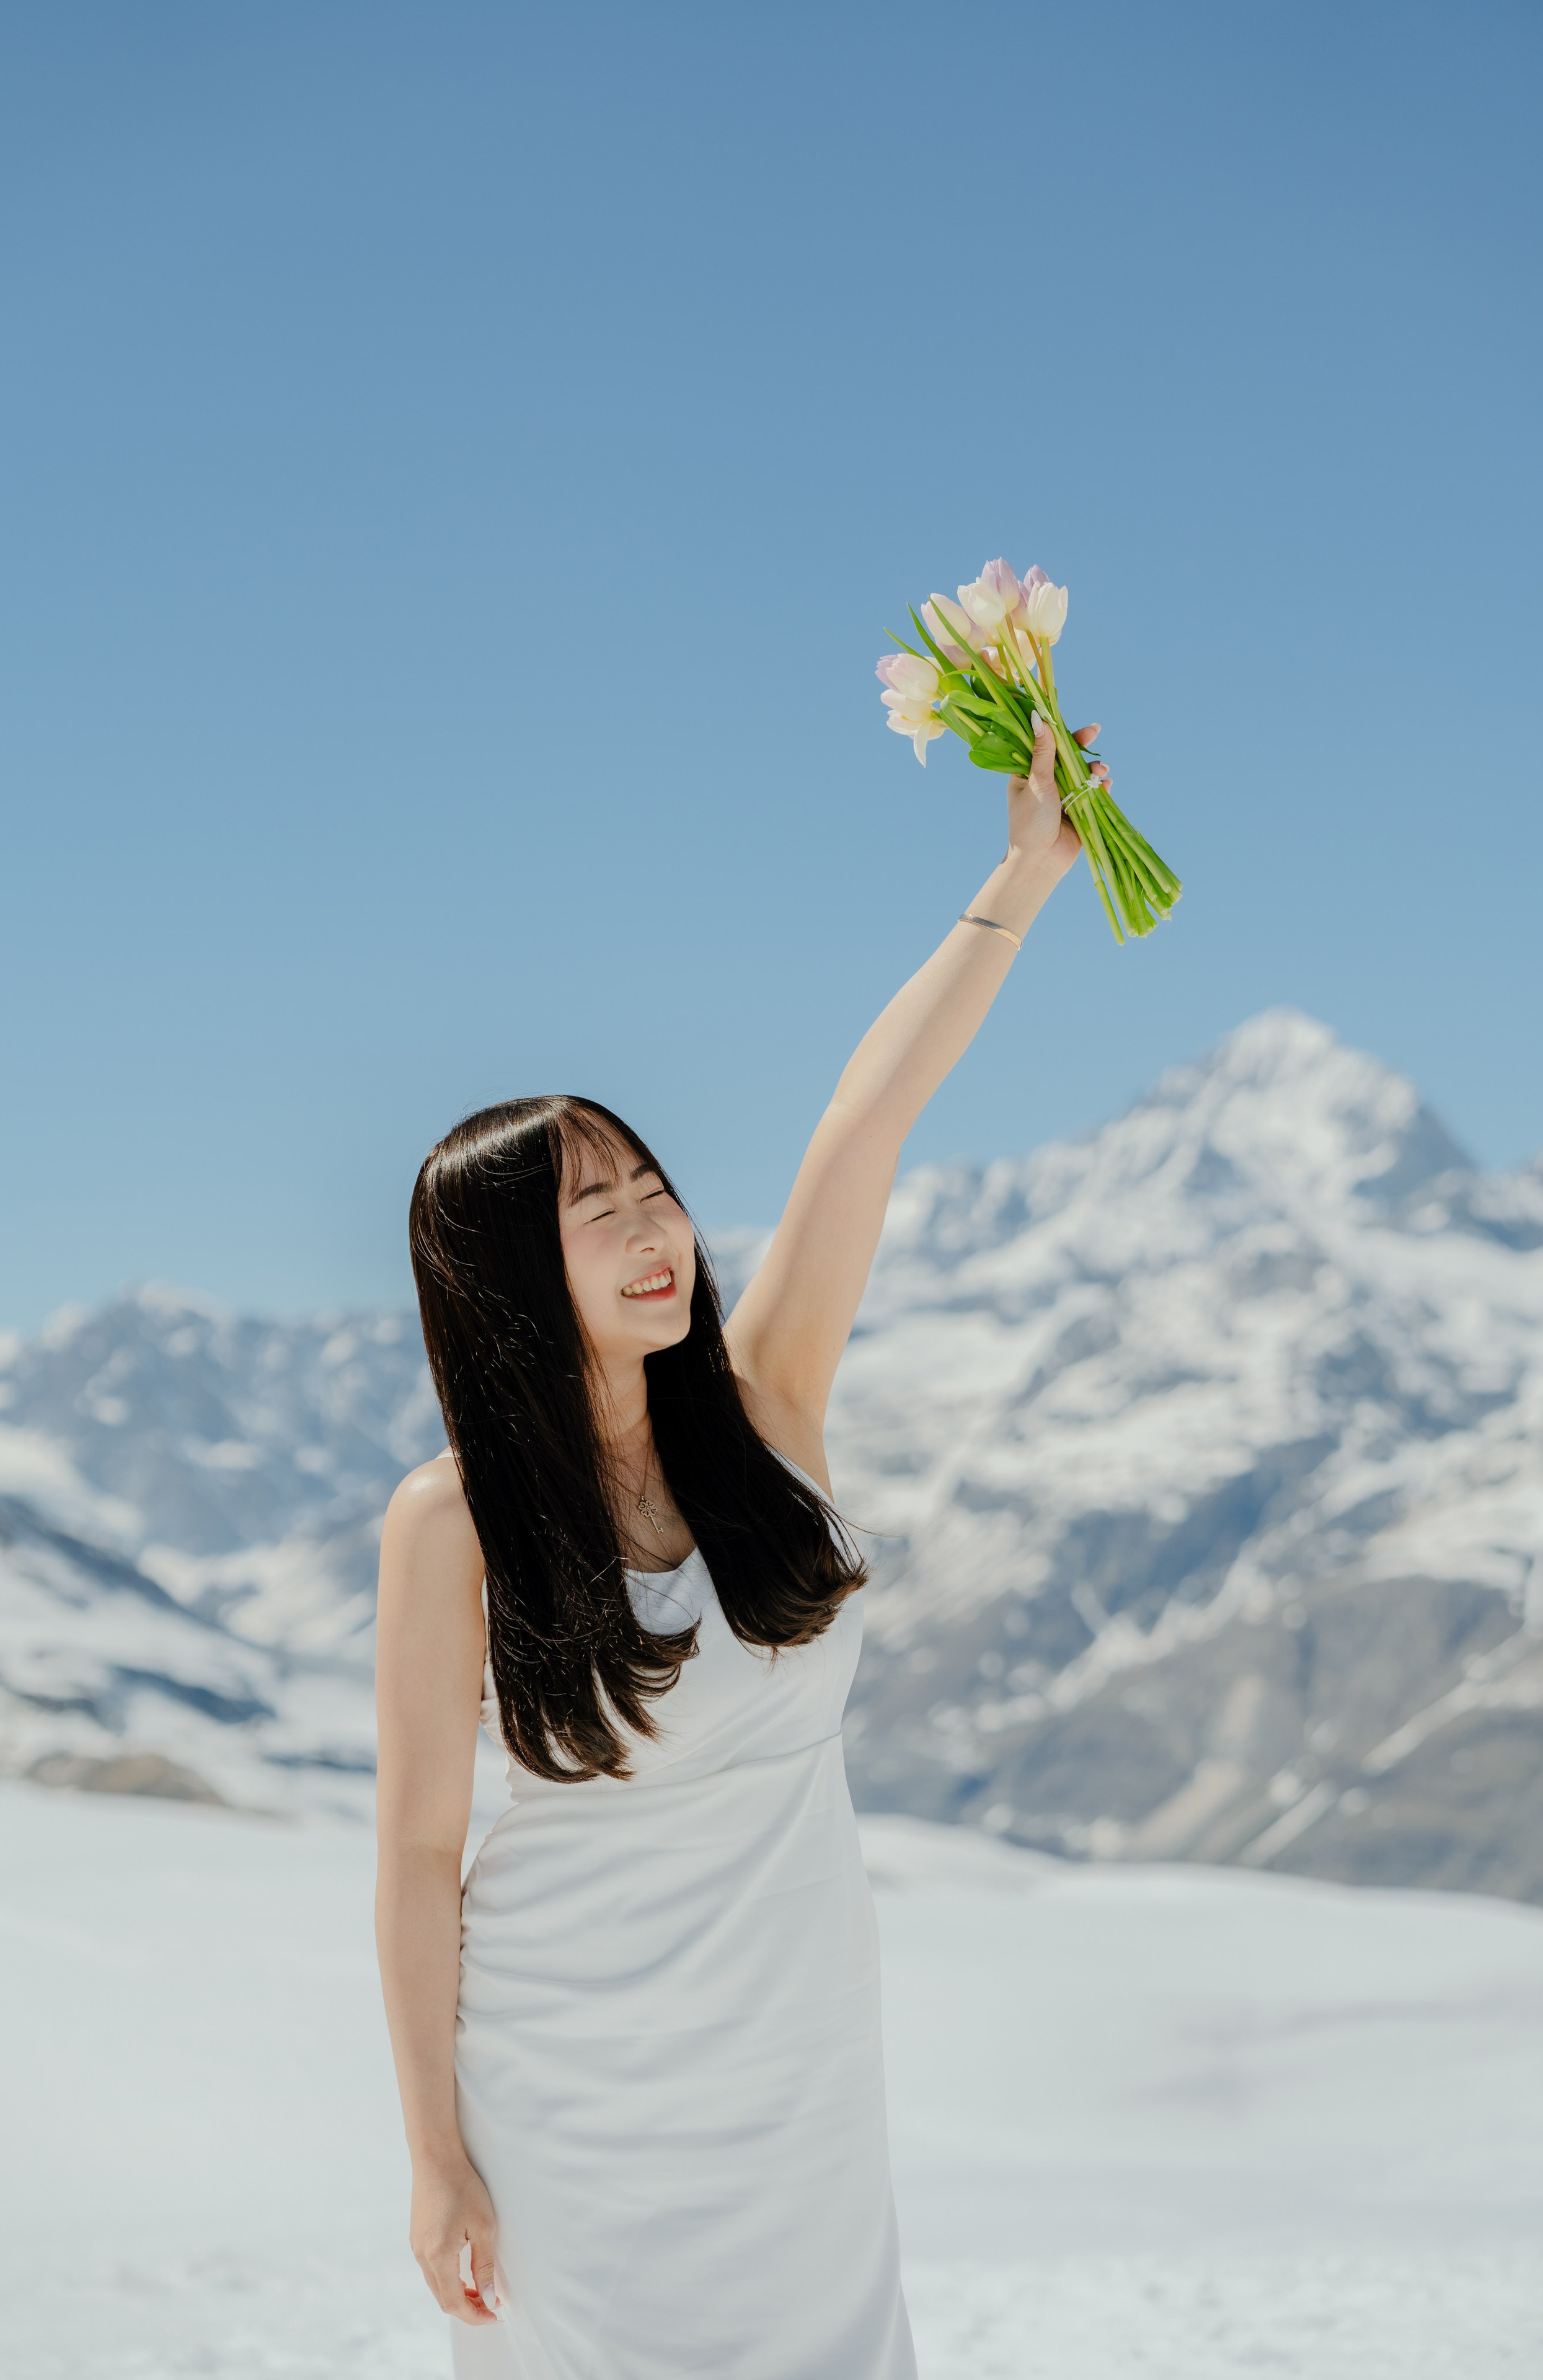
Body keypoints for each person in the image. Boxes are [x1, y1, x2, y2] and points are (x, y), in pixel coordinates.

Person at [374, 716, 1105, 2378]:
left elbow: (863, 1125)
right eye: (598, 1212)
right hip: (572, 2089)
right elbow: (420, 1857)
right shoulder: (453, 1526)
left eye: (653, 1188)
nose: (656, 1234)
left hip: (798, 2076)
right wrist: (435, 2155)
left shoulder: (768, 1403)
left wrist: (1022, 879)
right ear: (506, 1280)